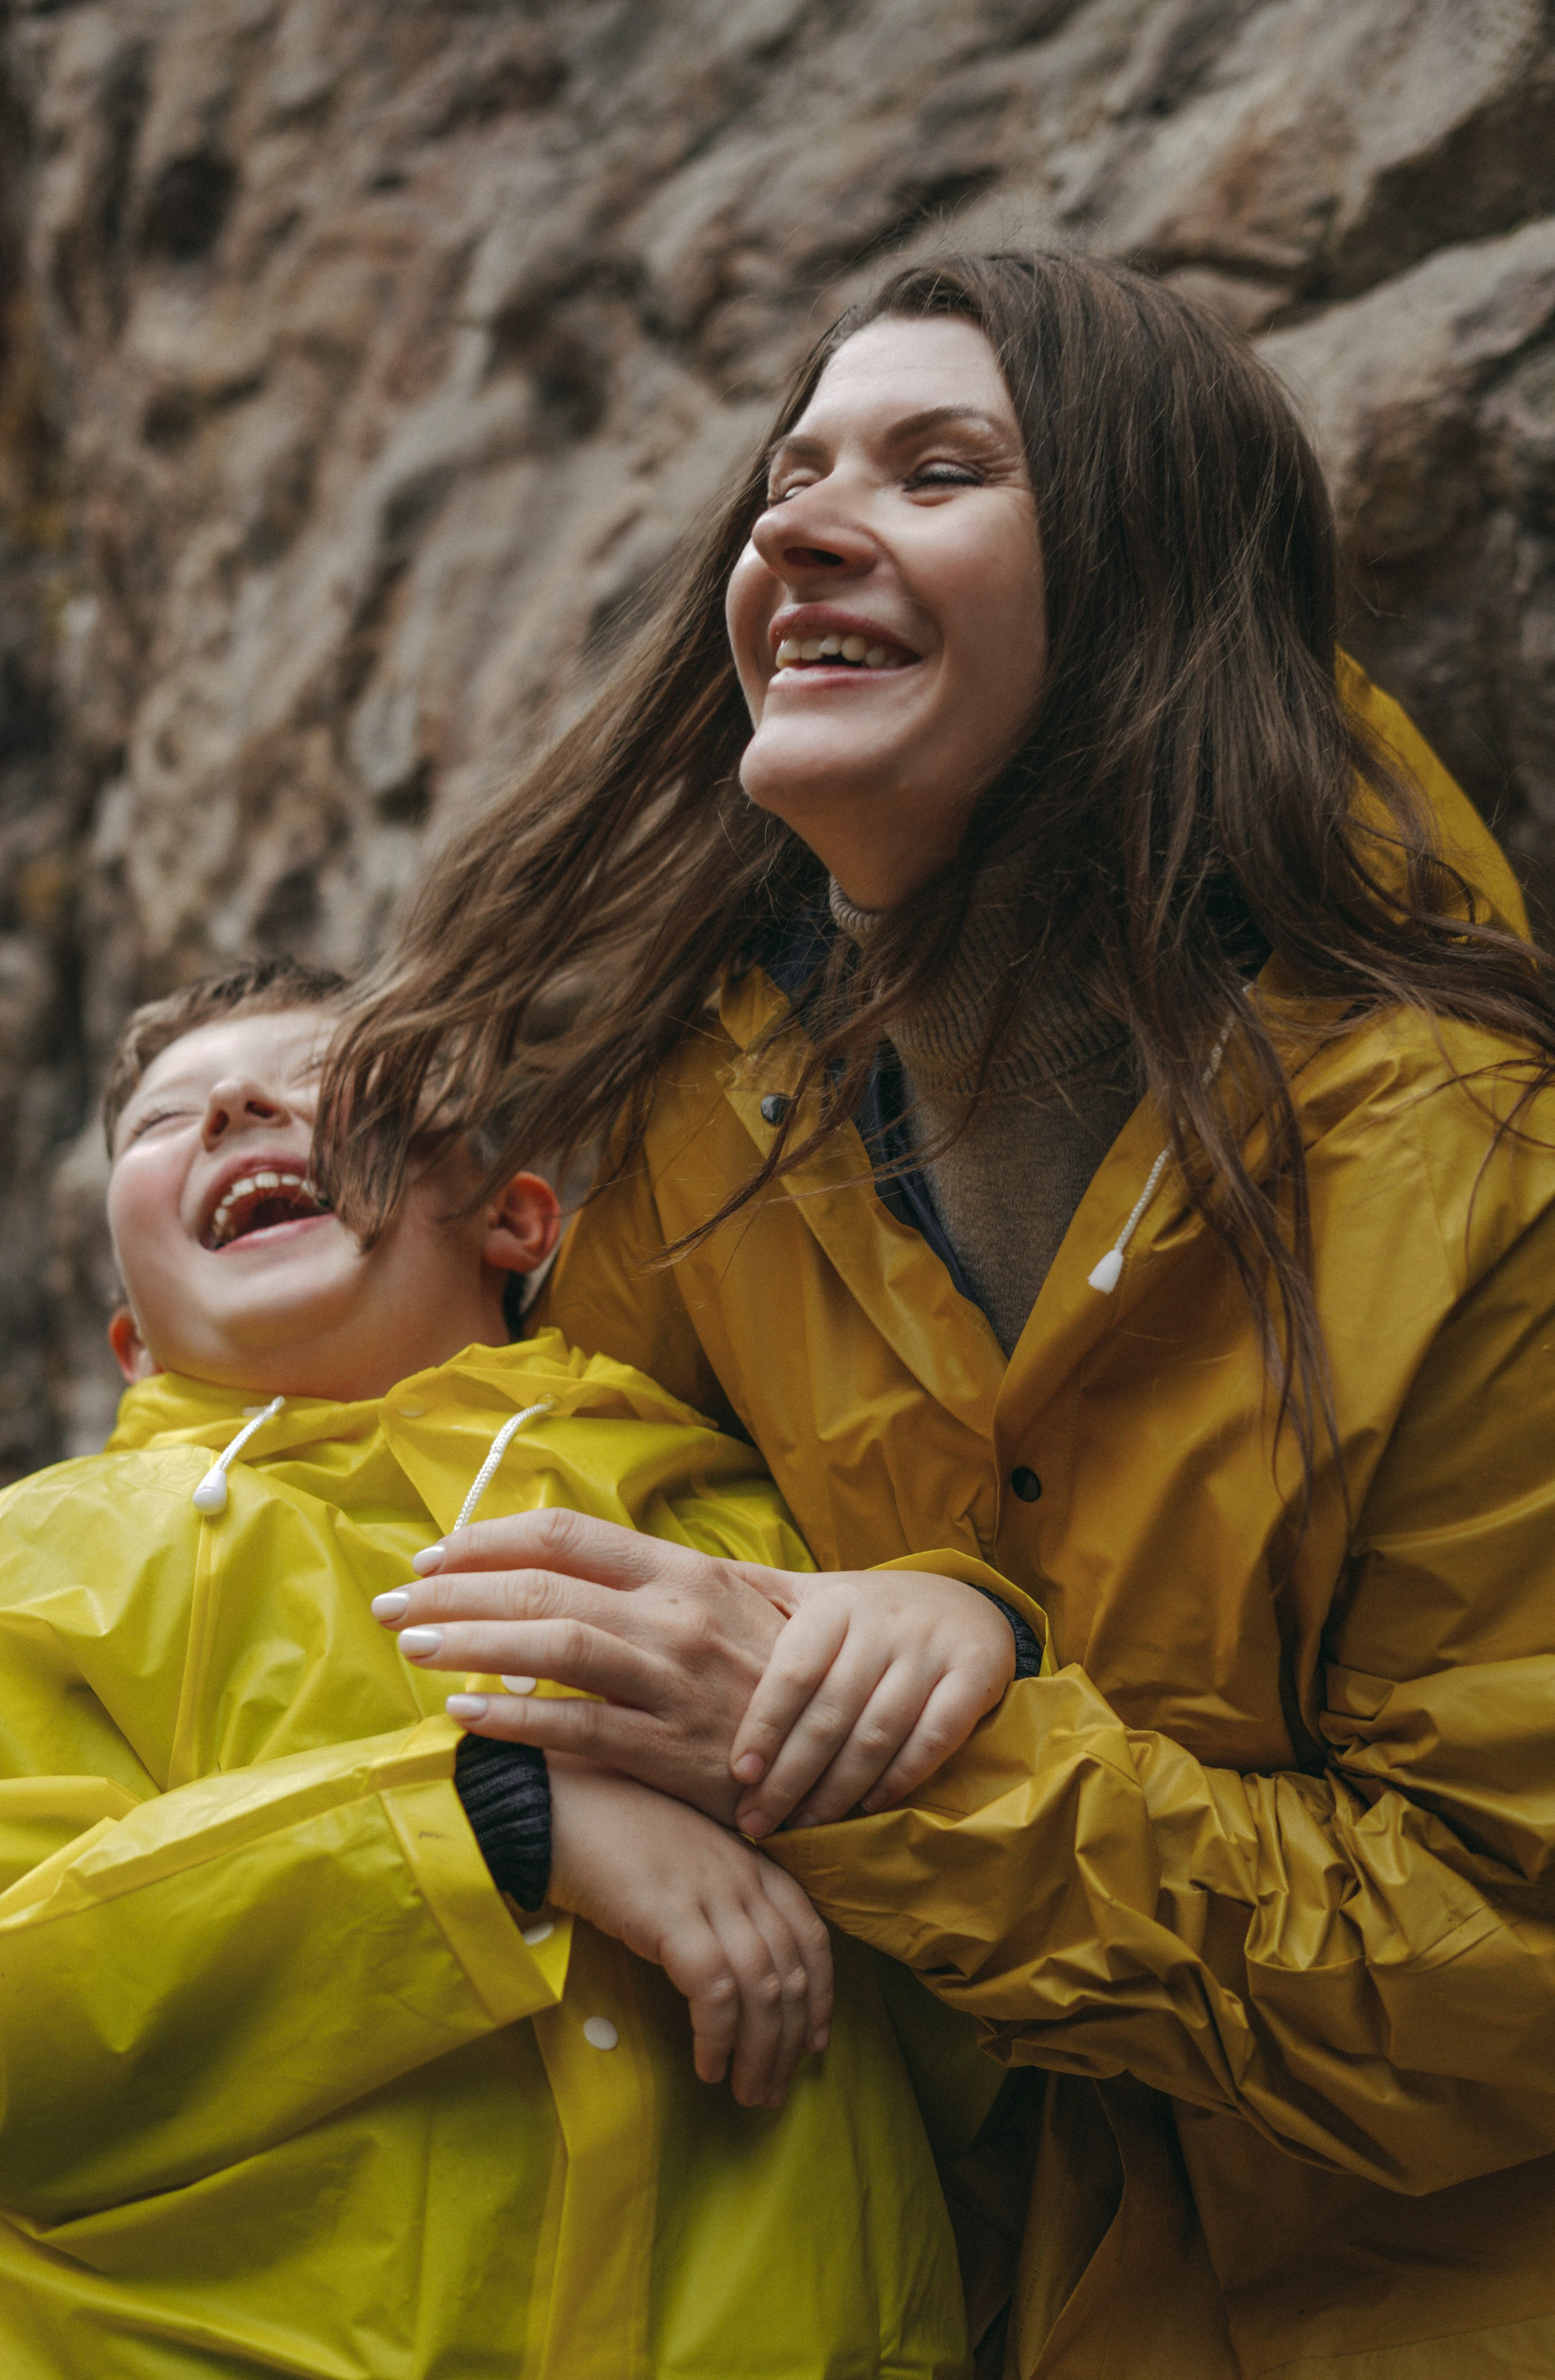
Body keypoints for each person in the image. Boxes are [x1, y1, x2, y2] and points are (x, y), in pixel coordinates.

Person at [327, 251, 1555, 2380]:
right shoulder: (688, 1141)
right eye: (790, 473)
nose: (793, 523)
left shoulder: (1473, 1179)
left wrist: (914, 1752)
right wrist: (549, 1806)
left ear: (1148, 585)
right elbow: (462, 1596)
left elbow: (1503, 1980)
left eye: (940, 469)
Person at [0, 958, 984, 2380]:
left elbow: (991, 2034)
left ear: (516, 1220)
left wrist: (973, 1630)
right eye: (160, 1122)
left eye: (326, 1080)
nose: (238, 1109)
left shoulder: (733, 1516)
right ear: (134, 1346)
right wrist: (493, 1829)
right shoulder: (28, 1568)